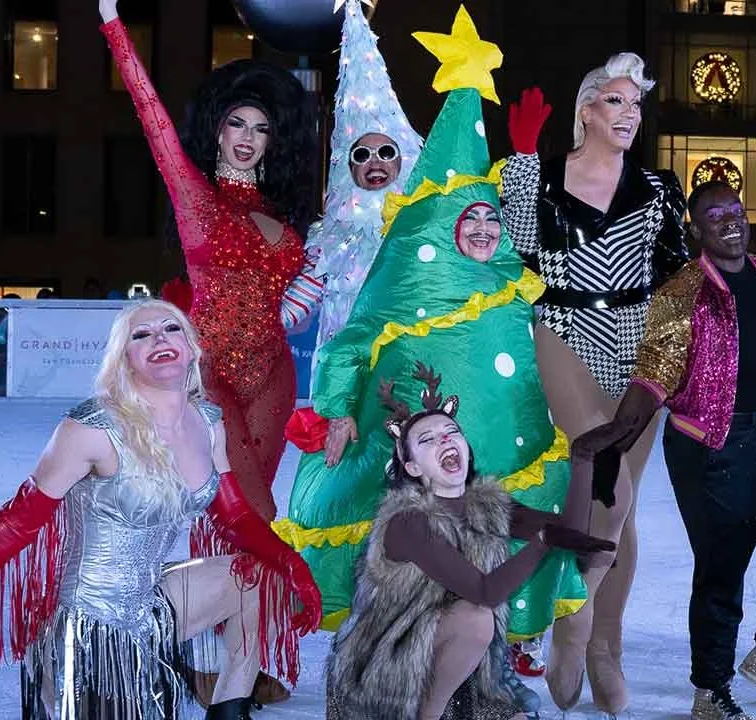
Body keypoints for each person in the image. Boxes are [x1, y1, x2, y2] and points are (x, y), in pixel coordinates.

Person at [280, 16, 590, 711]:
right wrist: (331, 409)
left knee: (488, 543)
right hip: (406, 439)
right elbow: (348, 342)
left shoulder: (510, 288)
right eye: (467, 223)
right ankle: (393, 661)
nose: (481, 231)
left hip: (497, 449)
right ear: (440, 229)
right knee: (407, 554)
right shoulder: (401, 278)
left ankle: (495, 652)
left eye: (490, 220)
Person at [0, 300, 321, 720]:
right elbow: (14, 524)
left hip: (152, 603)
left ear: (192, 348)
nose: (159, 338)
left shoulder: (207, 423)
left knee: (249, 576)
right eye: (141, 335)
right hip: (84, 627)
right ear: (125, 360)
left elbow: (234, 517)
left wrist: (293, 564)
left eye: (171, 328)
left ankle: (228, 710)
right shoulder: (93, 428)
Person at [578, 181, 756, 720]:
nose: (730, 220)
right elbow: (654, 374)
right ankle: (711, 688)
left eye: (736, 210)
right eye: (715, 214)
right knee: (724, 568)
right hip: (715, 446)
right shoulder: (683, 292)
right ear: (698, 227)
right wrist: (620, 433)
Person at [498, 50, 691, 714]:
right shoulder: (542, 178)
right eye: (616, 101)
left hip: (639, 344)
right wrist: (521, 162)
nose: (629, 114)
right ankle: (572, 626)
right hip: (563, 328)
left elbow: (681, 276)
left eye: (636, 104)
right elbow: (518, 249)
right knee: (603, 471)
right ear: (586, 109)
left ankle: (603, 645)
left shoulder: (658, 187)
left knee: (621, 504)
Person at [103, 0, 318, 521]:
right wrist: (112, 19)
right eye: (237, 124)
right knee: (245, 504)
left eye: (260, 129)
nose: (247, 138)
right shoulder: (194, 197)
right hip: (210, 371)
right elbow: (150, 111)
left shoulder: (283, 217)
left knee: (248, 499)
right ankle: (287, 589)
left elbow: (302, 295)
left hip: (274, 374)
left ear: (272, 141)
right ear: (218, 130)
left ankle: (243, 600)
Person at [325, 366, 615, 720]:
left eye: (451, 432)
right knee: (476, 619)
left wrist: (583, 459)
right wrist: (541, 542)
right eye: (428, 440)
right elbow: (485, 592)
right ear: (412, 468)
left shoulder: (487, 505)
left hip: (460, 674)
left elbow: (571, 530)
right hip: (386, 673)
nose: (445, 440)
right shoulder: (409, 520)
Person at [276, 0, 424, 356]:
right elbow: (293, 311)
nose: (375, 162)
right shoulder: (332, 238)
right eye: (362, 154)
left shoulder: (423, 226)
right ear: (349, 168)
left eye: (386, 152)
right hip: (347, 372)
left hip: (412, 366)